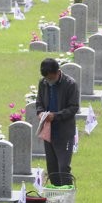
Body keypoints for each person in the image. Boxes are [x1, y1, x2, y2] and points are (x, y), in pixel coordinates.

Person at [35, 57, 79, 186]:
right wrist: (40, 112)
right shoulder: (43, 83)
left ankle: (67, 194)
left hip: (64, 131)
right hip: (48, 130)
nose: (49, 81)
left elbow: (74, 107)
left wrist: (56, 116)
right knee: (52, 168)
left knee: (64, 166)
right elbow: (39, 102)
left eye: (51, 78)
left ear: (58, 72)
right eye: (47, 79)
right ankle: (56, 196)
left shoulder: (70, 84)